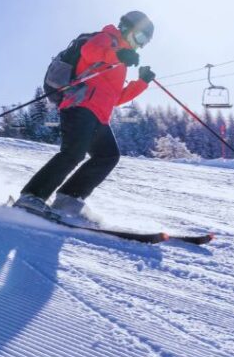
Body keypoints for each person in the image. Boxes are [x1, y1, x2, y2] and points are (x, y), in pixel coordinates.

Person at [14, 11, 156, 219]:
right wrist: (117, 56)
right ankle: (31, 196)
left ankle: (69, 198)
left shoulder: (122, 60)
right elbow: (90, 52)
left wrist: (142, 82)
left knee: (107, 156)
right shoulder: (107, 38)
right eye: (141, 38)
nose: (140, 45)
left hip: (99, 115)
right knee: (73, 153)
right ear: (128, 28)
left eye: (145, 42)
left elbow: (116, 98)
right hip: (79, 105)